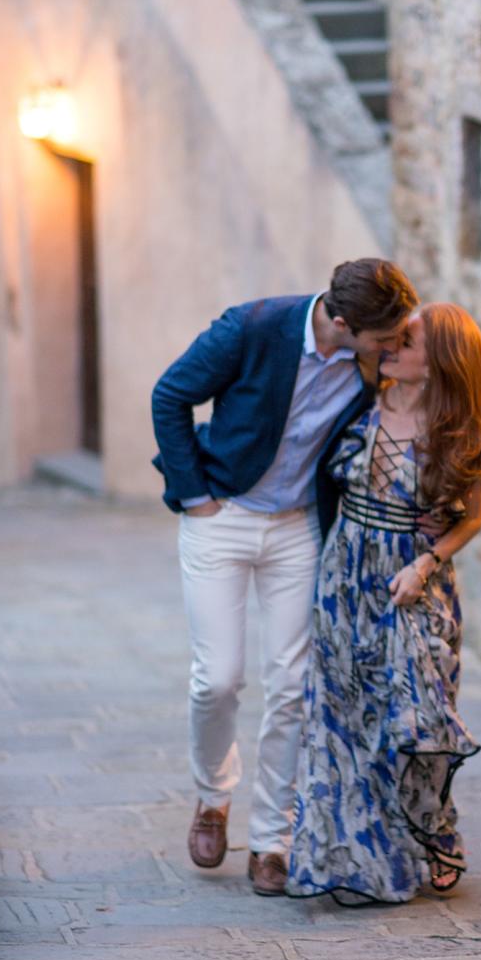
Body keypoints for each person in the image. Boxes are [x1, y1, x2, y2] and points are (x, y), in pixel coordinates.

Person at [151, 259, 419, 895]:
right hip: (222, 514)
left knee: (295, 684)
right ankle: (213, 798)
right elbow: (171, 395)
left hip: (300, 529)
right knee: (217, 679)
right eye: (383, 339)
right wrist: (195, 496)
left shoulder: (367, 364)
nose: (392, 349)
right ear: (343, 323)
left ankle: (273, 839)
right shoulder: (252, 326)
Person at [287, 302, 481, 904]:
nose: (389, 346)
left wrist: (427, 562)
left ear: (437, 362)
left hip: (413, 583)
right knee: (342, 718)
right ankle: (359, 858)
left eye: (405, 341)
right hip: (343, 579)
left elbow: (473, 518)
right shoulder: (358, 398)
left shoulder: (464, 429)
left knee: (415, 717)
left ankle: (436, 829)